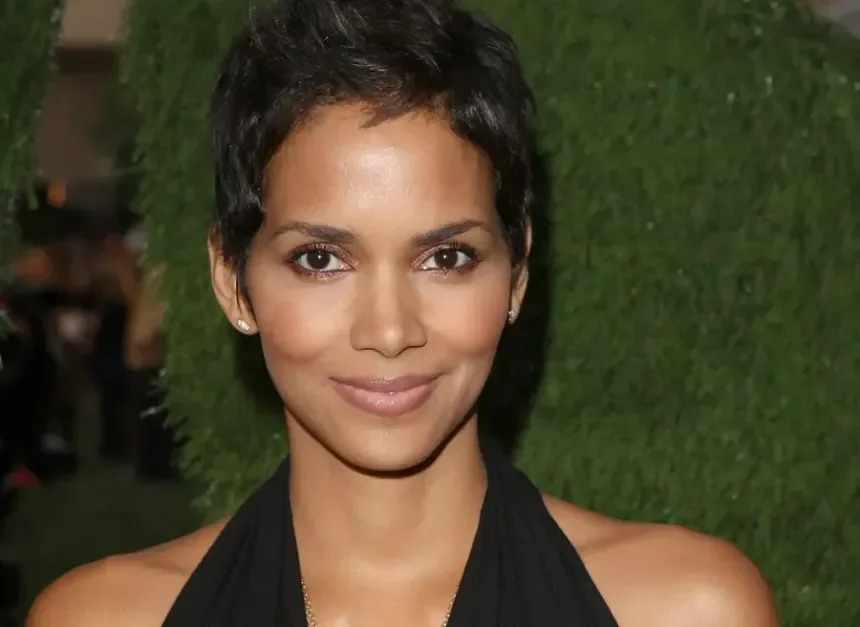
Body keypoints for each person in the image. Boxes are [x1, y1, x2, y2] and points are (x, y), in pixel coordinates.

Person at [27, 1, 779, 626]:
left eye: (445, 257)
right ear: (231, 280)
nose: (389, 331)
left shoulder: (685, 608)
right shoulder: (103, 617)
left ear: (516, 271)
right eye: (321, 258)